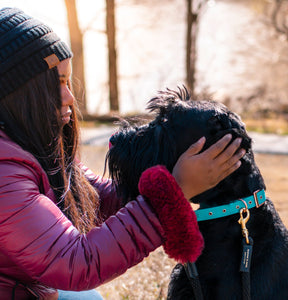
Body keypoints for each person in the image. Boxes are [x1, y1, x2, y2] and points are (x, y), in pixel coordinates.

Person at [0, 7, 245, 300]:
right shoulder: (5, 170)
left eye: (67, 81)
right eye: (55, 84)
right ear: (18, 95)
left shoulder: (29, 143)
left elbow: (98, 198)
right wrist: (172, 192)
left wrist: (174, 174)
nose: (69, 97)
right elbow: (76, 262)